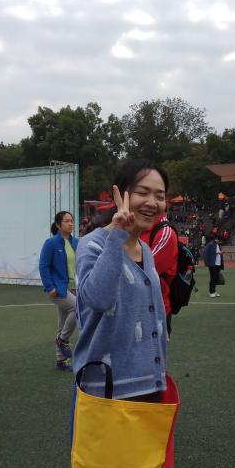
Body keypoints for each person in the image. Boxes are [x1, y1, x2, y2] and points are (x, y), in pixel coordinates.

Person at [73, 160, 168, 401]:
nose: (152, 202)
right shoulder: (93, 244)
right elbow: (99, 299)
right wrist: (118, 235)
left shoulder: (145, 250)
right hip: (108, 390)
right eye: (143, 192)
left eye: (160, 196)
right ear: (121, 194)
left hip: (150, 383)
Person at [39, 212, 79, 371]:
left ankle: (61, 361)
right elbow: (43, 266)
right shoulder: (51, 243)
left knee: (62, 323)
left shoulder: (76, 242)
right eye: (67, 221)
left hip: (75, 287)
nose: (71, 223)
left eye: (72, 221)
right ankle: (62, 340)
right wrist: (50, 287)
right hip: (59, 289)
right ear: (58, 225)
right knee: (78, 308)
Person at [140, 215, 178, 336]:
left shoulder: (165, 232)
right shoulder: (134, 226)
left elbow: (143, 274)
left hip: (155, 310)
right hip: (130, 309)